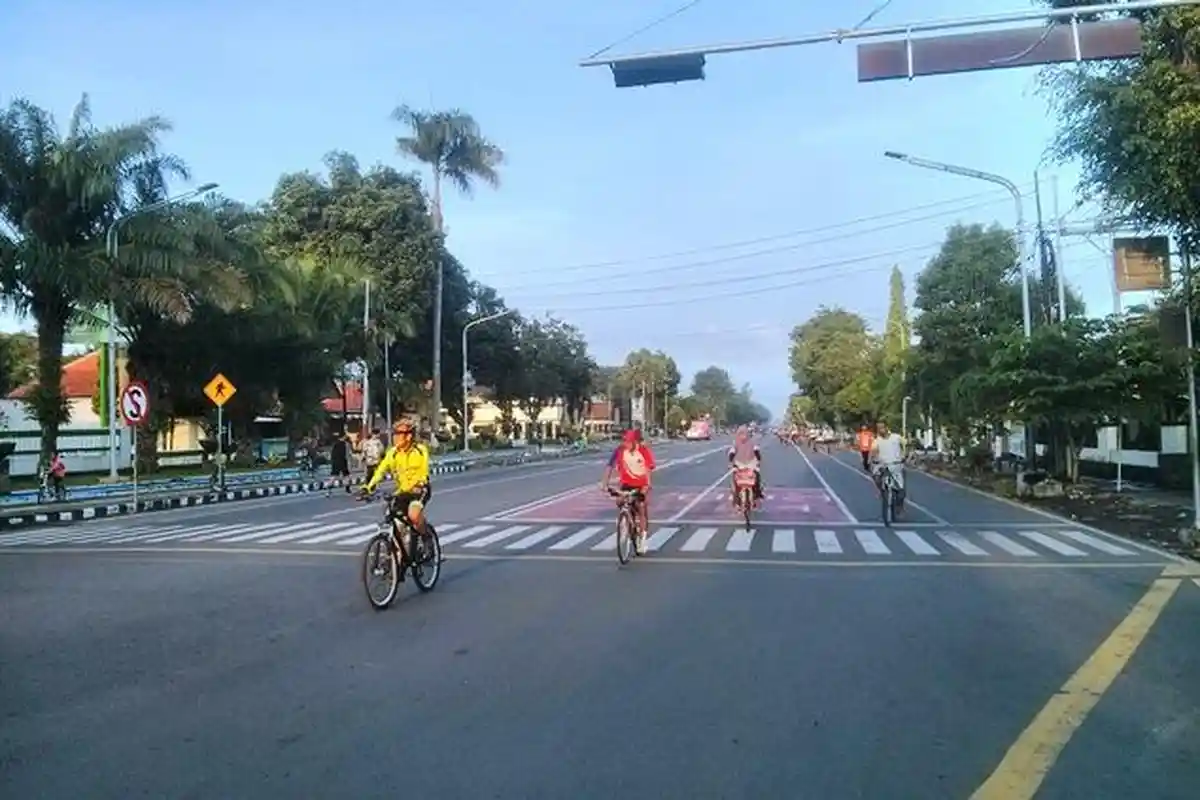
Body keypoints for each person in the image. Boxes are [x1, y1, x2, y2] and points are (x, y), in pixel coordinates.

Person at [360, 420, 437, 564]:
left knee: (414, 515)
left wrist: (419, 483)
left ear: (408, 436)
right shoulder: (393, 453)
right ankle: (399, 558)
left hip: (419, 490)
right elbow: (381, 470)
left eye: (399, 434)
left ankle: (427, 538)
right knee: (395, 521)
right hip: (402, 491)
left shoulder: (420, 450)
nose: (395, 437)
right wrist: (368, 487)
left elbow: (423, 471)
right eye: (394, 434)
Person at [601, 428, 656, 555]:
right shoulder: (619, 451)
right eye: (624, 441)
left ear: (634, 441)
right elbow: (609, 466)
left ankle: (642, 538)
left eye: (628, 441)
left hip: (641, 484)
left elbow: (648, 468)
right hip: (626, 484)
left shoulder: (643, 450)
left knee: (641, 507)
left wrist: (647, 485)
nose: (626, 444)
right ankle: (627, 524)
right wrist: (604, 483)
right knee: (620, 501)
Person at [870, 420, 907, 508]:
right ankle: (882, 491)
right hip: (882, 465)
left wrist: (905, 455)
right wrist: (873, 459)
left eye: (882, 428)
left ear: (887, 428)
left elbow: (905, 444)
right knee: (875, 475)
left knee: (901, 491)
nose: (880, 430)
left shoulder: (896, 437)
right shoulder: (877, 441)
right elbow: (874, 451)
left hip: (896, 465)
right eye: (878, 428)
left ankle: (899, 505)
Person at [727, 425, 764, 507]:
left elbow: (756, 451)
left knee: (756, 477)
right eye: (741, 434)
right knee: (736, 479)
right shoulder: (736, 443)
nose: (742, 436)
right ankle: (736, 498)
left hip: (750, 463)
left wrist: (758, 461)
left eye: (744, 434)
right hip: (740, 463)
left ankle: (757, 493)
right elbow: (732, 453)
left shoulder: (752, 442)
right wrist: (731, 463)